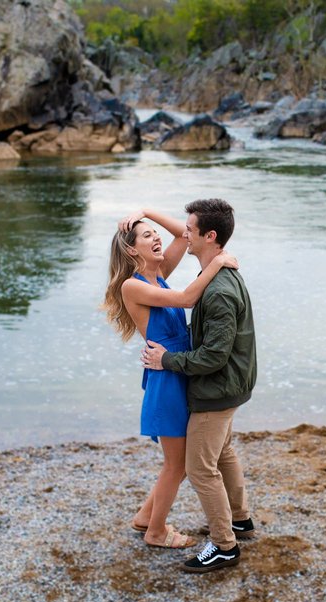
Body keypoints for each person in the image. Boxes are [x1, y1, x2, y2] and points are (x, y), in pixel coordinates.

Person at [102, 208, 238, 549]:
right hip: (167, 379)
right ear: (132, 250)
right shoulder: (132, 286)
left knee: (176, 463)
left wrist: (146, 212)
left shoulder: (158, 272)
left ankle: (146, 518)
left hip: (176, 368)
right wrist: (217, 263)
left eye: (153, 233)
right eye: (147, 236)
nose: (156, 237)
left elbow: (183, 236)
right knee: (176, 465)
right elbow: (187, 299)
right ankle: (156, 532)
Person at [141, 198, 257, 574]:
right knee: (222, 454)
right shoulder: (214, 277)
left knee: (199, 467)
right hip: (229, 385)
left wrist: (167, 360)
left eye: (190, 230)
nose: (183, 234)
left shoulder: (219, 290)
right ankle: (239, 520)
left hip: (217, 388)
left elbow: (213, 357)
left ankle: (225, 545)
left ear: (210, 236)